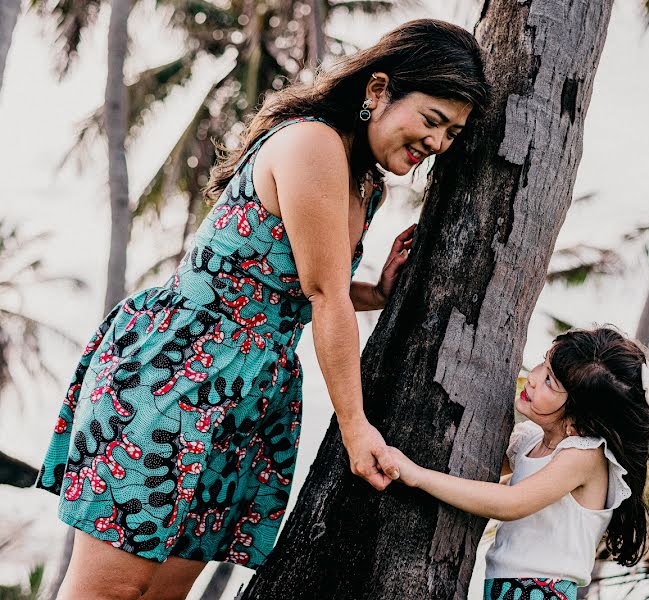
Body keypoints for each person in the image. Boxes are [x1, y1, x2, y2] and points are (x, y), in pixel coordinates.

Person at [35, 18, 489, 600]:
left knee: (164, 595)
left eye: (451, 134)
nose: (437, 144)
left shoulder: (365, 184)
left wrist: (373, 294)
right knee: (112, 590)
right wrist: (355, 429)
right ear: (378, 91)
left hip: (250, 395)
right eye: (432, 120)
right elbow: (323, 295)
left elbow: (288, 281)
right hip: (179, 366)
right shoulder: (312, 143)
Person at [388, 327, 649, 600]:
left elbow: (512, 502)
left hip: (544, 592)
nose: (533, 378)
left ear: (580, 422)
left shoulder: (584, 455)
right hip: (504, 589)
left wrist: (418, 476)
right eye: (543, 365)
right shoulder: (531, 440)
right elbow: (473, 471)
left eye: (550, 381)